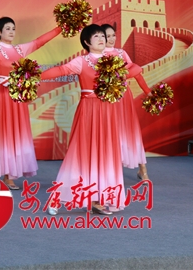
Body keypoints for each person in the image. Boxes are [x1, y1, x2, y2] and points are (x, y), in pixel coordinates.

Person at [40, 24, 142, 216]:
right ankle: (57, 198)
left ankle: (97, 200)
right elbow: (60, 70)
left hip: (108, 112)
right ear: (87, 42)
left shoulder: (114, 60)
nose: (102, 39)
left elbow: (136, 68)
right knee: (79, 154)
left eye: (102, 35)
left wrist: (121, 73)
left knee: (105, 154)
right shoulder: (81, 61)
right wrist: (33, 75)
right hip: (88, 110)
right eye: (96, 36)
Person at [0, 17, 61, 189]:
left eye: (13, 28)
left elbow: (39, 42)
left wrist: (61, 28)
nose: (11, 32)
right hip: (1, 96)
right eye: (7, 28)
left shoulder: (19, 49)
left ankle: (10, 176)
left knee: (14, 134)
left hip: (17, 98)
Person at [101, 24, 152, 181]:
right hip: (106, 99)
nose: (111, 39)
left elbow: (136, 73)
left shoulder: (121, 53)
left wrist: (148, 92)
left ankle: (143, 170)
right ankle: (111, 172)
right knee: (111, 133)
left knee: (131, 132)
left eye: (113, 35)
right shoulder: (96, 55)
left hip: (124, 98)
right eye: (107, 36)